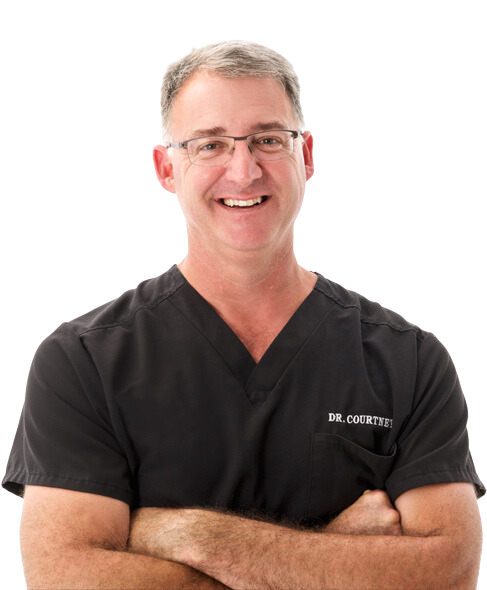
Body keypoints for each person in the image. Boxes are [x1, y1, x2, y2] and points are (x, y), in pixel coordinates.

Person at [3, 39, 484, 589]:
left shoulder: (409, 360)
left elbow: (448, 574)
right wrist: (334, 554)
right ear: (166, 168)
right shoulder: (82, 362)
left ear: (306, 156)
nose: (243, 170)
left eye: (268, 139)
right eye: (209, 145)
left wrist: (185, 535)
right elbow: (65, 575)